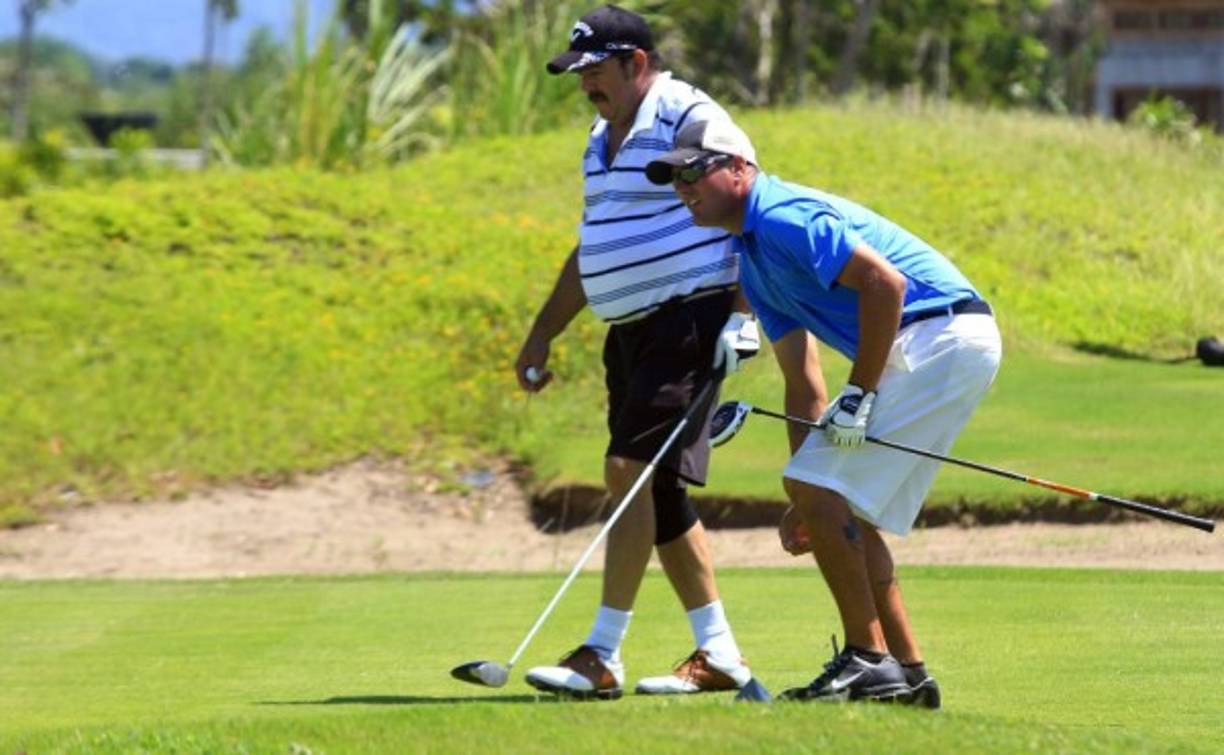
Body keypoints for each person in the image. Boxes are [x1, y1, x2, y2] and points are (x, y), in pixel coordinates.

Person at [645, 120, 1003, 708]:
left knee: (823, 486)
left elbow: (883, 285)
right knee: (839, 500)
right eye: (675, 178)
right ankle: (908, 675)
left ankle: (867, 659)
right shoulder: (754, 261)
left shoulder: (781, 217)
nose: (684, 186)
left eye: (695, 171)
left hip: (941, 331)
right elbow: (803, 382)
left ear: (739, 168)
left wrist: (858, 395)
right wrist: (809, 500)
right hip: (941, 340)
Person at [513, 5, 761, 700]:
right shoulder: (598, 137)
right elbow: (593, 246)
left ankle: (601, 654)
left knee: (627, 468)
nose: (586, 83)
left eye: (596, 70)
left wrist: (743, 318)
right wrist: (543, 331)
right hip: (630, 331)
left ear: (637, 64)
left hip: (693, 314)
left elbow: (752, 204)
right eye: (577, 72)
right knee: (658, 489)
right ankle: (720, 653)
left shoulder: (690, 117)